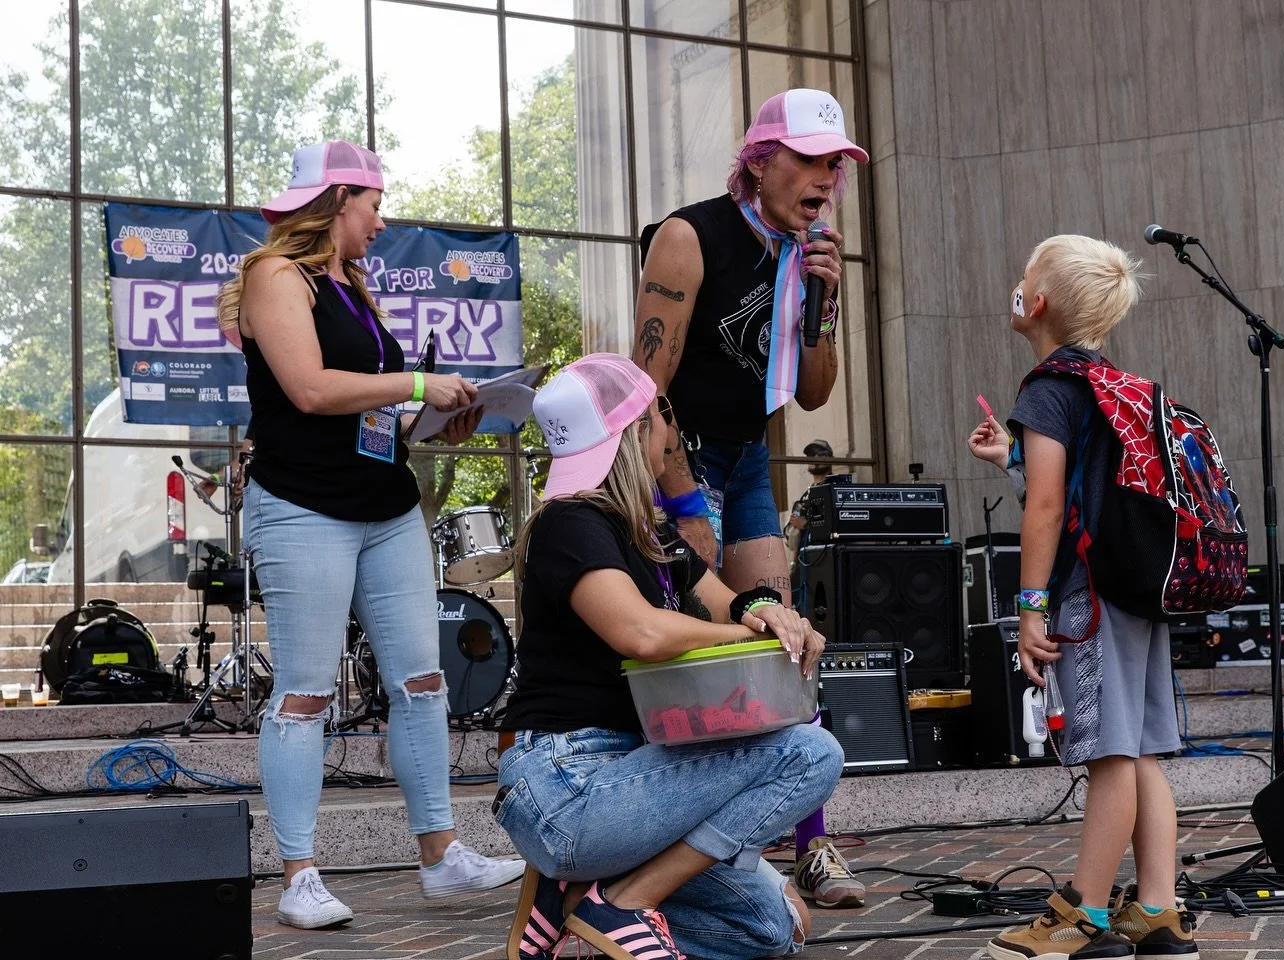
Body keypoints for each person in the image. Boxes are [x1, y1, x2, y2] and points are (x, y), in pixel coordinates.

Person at [217, 140, 524, 929]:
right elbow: (313, 390)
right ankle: (298, 876)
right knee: (306, 691)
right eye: (375, 205)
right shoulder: (273, 277)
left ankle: (441, 857)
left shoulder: (351, 283)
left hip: (385, 507)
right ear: (337, 202)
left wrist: (434, 420)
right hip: (303, 506)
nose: (382, 223)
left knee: (422, 681)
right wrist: (419, 381)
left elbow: (369, 410)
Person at [495, 353, 841, 960]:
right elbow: (643, 634)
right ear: (635, 431)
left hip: (637, 779)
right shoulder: (568, 523)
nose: (672, 432)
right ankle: (621, 901)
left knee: (776, 929)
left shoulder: (649, 537)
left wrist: (769, 614)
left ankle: (573, 899)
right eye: (662, 413)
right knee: (811, 752)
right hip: (567, 785)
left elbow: (731, 603)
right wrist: (757, 639)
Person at [632, 87, 869, 908]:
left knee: (782, 638)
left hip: (745, 457)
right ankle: (692, 850)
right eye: (809, 159)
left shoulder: (808, 252)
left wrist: (825, 305)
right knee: (701, 648)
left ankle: (813, 846)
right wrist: (684, 505)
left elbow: (811, 394)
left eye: (835, 164)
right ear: (759, 158)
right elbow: (644, 389)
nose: (826, 179)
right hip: (682, 459)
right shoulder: (689, 237)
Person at [968, 236, 1195, 960]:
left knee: (1108, 757)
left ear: (1036, 303)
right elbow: (1076, 494)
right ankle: (1157, 911)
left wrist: (1030, 607)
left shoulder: (1045, 391)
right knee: (1144, 751)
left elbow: (1043, 508)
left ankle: (1085, 916)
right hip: (1141, 593)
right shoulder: (1113, 387)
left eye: (1024, 274)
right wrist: (1007, 454)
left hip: (1089, 600)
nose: (1016, 283)